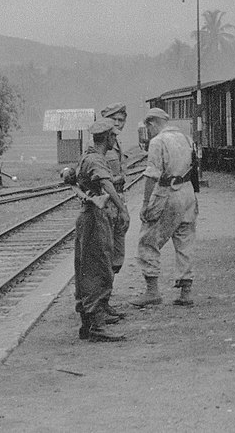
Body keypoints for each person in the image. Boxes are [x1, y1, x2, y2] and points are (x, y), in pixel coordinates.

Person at [131, 108, 198, 308]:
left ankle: (152, 291)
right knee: (185, 241)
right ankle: (186, 293)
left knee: (148, 240)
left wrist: (146, 204)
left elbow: (152, 174)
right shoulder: (186, 138)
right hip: (188, 192)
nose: (148, 132)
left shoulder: (158, 141)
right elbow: (195, 167)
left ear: (152, 123)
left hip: (167, 192)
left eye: (148, 127)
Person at [73, 120, 127, 342]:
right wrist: (123, 210)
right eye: (113, 136)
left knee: (86, 268)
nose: (116, 139)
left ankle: (88, 323)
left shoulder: (89, 156)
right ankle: (97, 326)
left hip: (88, 215)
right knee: (99, 268)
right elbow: (106, 184)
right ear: (108, 138)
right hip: (96, 217)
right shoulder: (96, 159)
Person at [99, 102, 131, 319]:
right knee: (107, 255)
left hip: (117, 202)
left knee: (116, 256)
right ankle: (101, 304)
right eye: (114, 120)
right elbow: (104, 180)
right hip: (109, 205)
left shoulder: (115, 144)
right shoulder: (103, 145)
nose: (118, 124)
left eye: (121, 120)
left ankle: (105, 301)